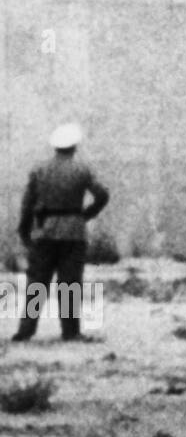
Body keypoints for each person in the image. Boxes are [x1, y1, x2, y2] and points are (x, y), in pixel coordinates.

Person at [14, 124, 110, 342]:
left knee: (37, 282)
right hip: (74, 232)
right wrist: (86, 214)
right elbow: (102, 194)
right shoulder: (83, 170)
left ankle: (26, 330)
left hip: (44, 231)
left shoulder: (39, 169)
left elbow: (27, 203)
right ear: (74, 146)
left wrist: (24, 229)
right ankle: (70, 331)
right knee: (70, 283)